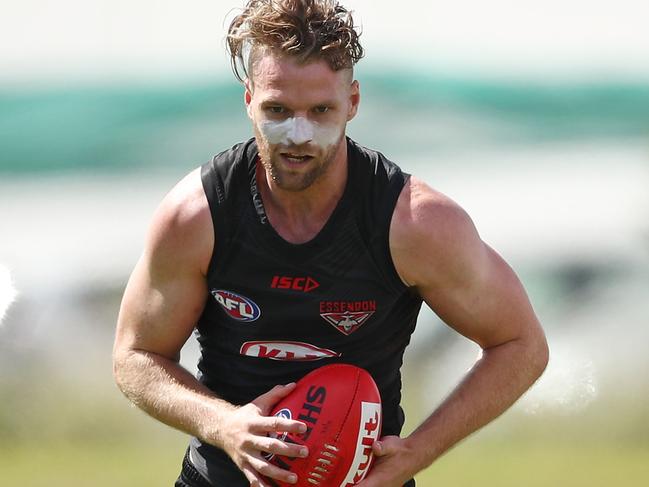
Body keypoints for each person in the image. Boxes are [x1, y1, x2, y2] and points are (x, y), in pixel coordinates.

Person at [112, 1, 549, 486]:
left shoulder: (414, 223)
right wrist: (224, 424)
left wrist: (418, 453)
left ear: (353, 102)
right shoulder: (197, 216)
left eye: (320, 111)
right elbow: (135, 356)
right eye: (278, 110)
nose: (298, 136)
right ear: (249, 100)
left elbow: (521, 344)